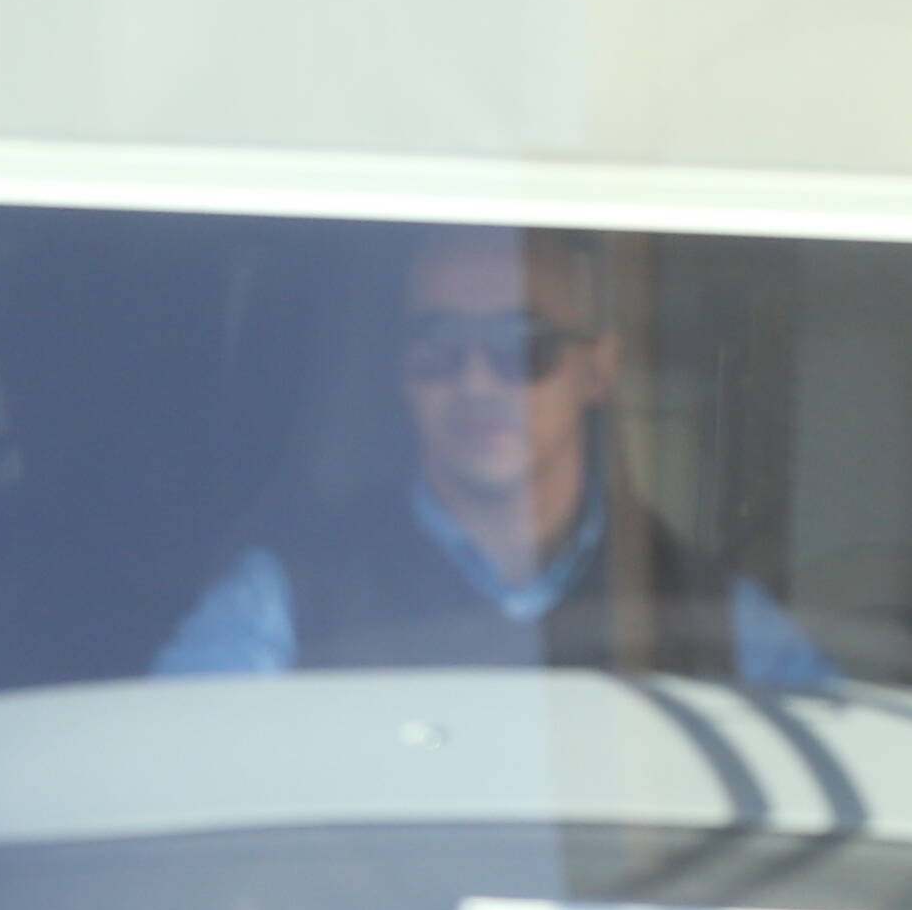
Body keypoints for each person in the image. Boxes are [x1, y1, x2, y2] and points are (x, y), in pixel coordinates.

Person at [153, 225, 834, 688]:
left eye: (520, 346)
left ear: (597, 372)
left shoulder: (718, 619)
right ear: (401, 372)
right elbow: (165, 778)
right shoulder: (284, 600)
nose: (475, 382)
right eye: (439, 346)